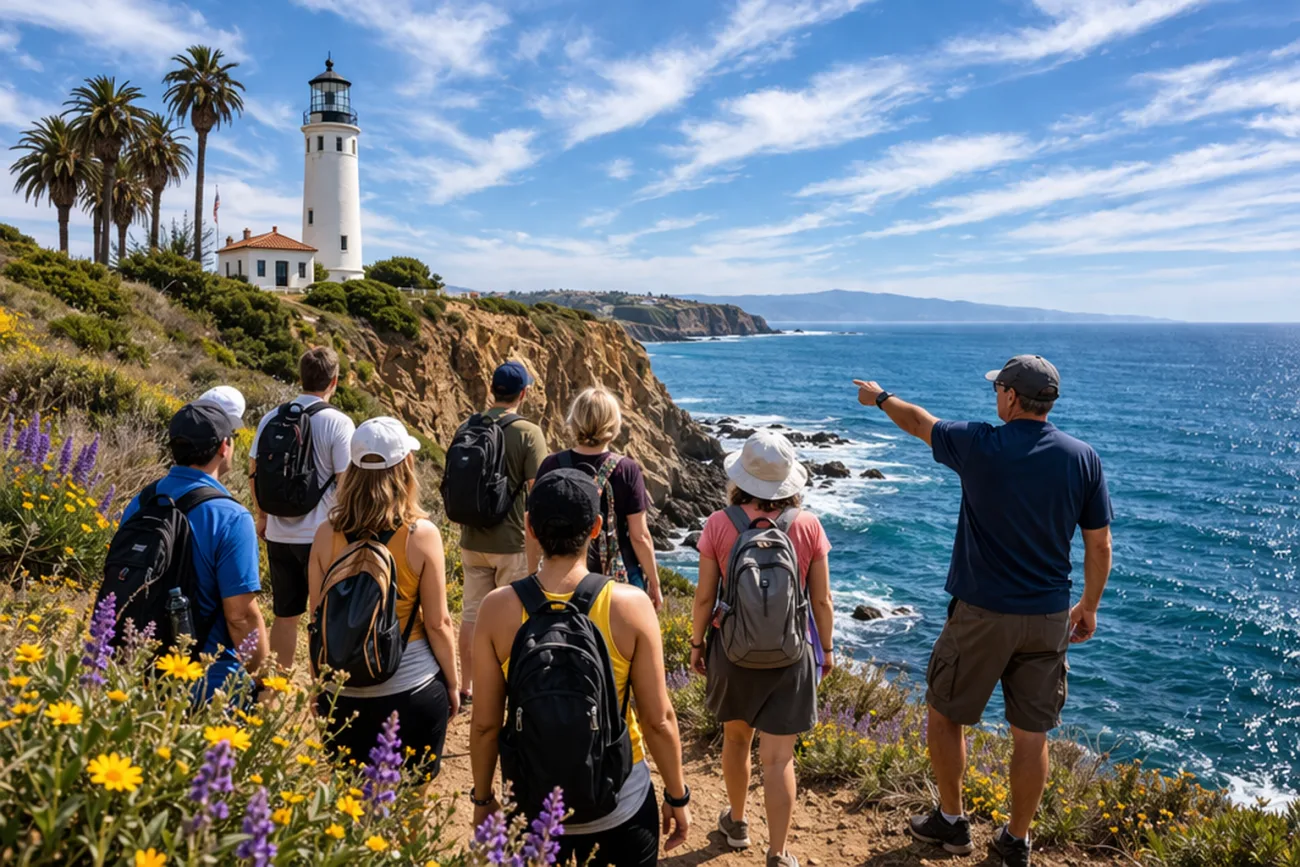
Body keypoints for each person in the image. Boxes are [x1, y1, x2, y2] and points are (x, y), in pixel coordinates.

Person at [853, 355, 1113, 867]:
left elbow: (917, 422)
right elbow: (1099, 545)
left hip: (982, 614)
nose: (995, 397)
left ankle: (951, 823)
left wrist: (879, 397)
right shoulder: (1083, 457)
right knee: (1030, 734)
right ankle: (1015, 841)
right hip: (1048, 618)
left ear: (1012, 398)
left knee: (946, 714)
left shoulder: (981, 444)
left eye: (999, 390)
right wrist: (1089, 607)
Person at [469, 469, 690, 867]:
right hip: (619, 803)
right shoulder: (630, 606)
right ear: (596, 529)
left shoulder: (496, 608)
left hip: (531, 805)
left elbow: (485, 724)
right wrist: (677, 796)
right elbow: (659, 720)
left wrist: (484, 799)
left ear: (531, 529)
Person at [688, 430, 835, 867]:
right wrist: (825, 651)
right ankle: (778, 852)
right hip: (791, 655)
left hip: (732, 653)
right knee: (779, 758)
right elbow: (823, 600)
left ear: (741, 479)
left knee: (736, 740)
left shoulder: (720, 523)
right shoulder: (807, 526)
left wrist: (697, 645)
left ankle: (735, 823)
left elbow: (703, 598)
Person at [309, 416, 459, 772]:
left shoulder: (325, 533)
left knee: (352, 809)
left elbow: (317, 620)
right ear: (406, 465)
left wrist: (320, 688)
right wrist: (454, 685)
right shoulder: (420, 534)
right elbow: (438, 624)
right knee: (409, 806)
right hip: (411, 690)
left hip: (343, 695)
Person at [120, 397, 269, 702]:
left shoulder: (141, 502)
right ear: (223, 447)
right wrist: (264, 680)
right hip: (208, 684)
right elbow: (241, 617)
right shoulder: (231, 517)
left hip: (137, 672)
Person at [249, 347, 356, 670]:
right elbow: (346, 481)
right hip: (323, 536)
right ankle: (318, 691)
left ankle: (274, 690)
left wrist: (263, 516)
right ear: (334, 381)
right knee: (321, 616)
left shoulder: (273, 417)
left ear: (300, 378)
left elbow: (254, 470)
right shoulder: (338, 423)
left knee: (284, 617)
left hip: (280, 534)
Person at [454, 360, 548, 705]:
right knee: (512, 618)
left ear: (492, 390)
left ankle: (468, 686)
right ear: (523, 393)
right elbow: (539, 491)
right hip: (512, 543)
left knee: (471, 615)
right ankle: (510, 689)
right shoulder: (527, 432)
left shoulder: (468, 425)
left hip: (472, 539)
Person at [536, 387, 662, 610]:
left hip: (561, 574)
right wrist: (654, 582)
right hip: (617, 575)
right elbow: (640, 536)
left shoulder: (551, 465)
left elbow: (535, 525)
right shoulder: (626, 470)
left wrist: (531, 576)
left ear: (574, 420)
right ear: (613, 424)